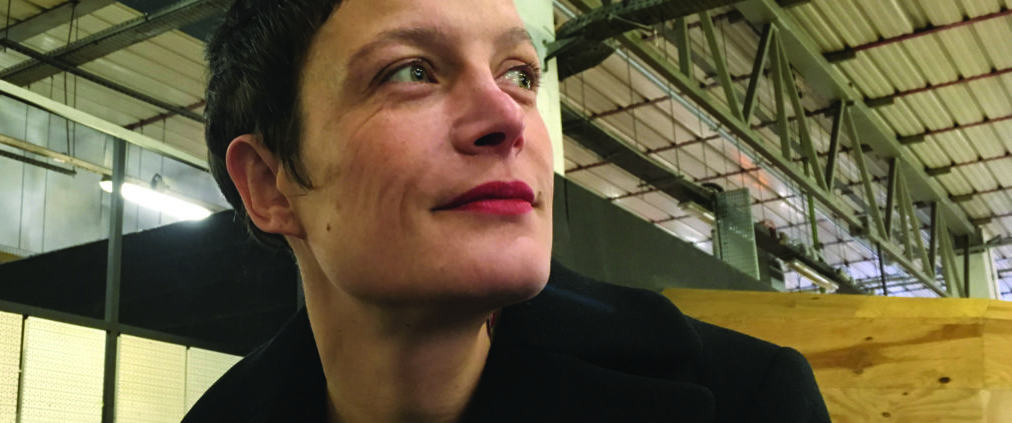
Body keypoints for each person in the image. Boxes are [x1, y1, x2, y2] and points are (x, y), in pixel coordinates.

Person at [183, 0, 831, 422]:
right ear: (269, 185)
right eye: (410, 72)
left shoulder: (749, 400)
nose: (507, 116)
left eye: (519, 74)